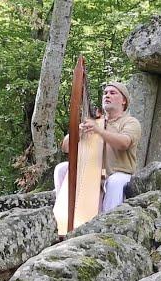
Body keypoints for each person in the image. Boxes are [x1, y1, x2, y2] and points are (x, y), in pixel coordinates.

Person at [53, 81, 142, 213]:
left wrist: (99, 131)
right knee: (62, 168)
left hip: (120, 174)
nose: (107, 95)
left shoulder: (130, 122)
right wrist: (78, 130)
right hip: (94, 175)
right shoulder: (95, 122)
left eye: (112, 93)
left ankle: (108, 225)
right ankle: (63, 214)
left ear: (124, 100)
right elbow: (66, 147)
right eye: (105, 93)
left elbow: (124, 143)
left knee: (115, 181)